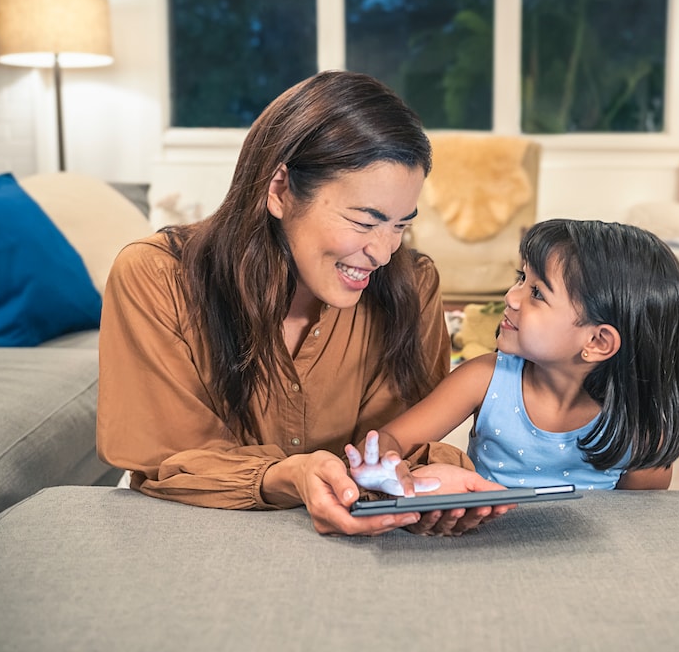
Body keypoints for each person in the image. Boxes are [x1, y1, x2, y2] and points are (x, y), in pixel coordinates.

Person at [96, 70, 509, 536]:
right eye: (364, 220)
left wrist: (427, 483)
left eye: (400, 225)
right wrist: (292, 474)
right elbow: (163, 457)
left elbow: (402, 444)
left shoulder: (412, 285)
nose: (384, 250)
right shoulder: (155, 278)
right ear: (279, 190)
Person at [347, 218, 679, 495]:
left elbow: (644, 523)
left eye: (538, 293)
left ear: (598, 341)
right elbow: (388, 441)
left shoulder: (642, 430)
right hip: (489, 543)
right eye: (520, 278)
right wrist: (382, 465)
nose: (511, 297)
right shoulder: (484, 378)